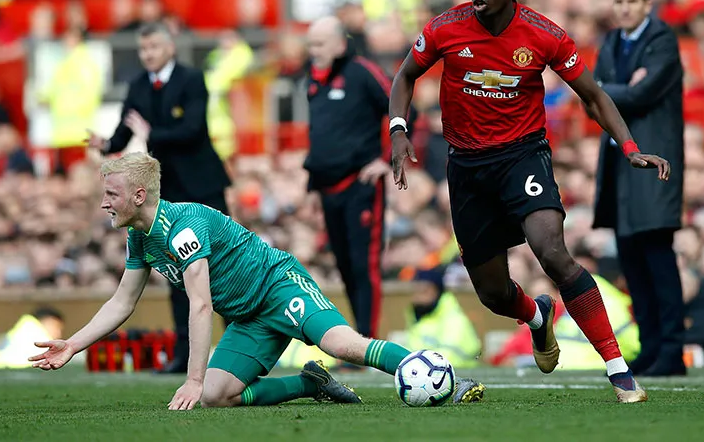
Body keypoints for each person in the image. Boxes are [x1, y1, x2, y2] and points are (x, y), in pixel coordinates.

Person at [389, 0, 671, 404]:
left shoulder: (543, 34)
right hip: (467, 167)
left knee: (553, 253)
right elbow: (404, 77)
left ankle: (620, 373)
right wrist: (399, 130)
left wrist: (631, 147)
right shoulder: (444, 28)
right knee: (494, 294)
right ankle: (538, 317)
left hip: (522, 156)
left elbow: (593, 96)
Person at [29, 152, 486, 408]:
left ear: (139, 194)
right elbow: (122, 302)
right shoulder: (139, 237)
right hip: (249, 318)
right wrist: (72, 344)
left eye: (111, 194)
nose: (104, 203)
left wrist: (190, 377)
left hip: (278, 284)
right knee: (215, 397)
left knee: (342, 345)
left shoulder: (181, 226)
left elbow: (202, 304)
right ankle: (309, 385)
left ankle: (447, 378)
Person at [86, 22, 231, 374]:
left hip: (202, 186)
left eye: (153, 47)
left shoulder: (192, 79)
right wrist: (106, 144)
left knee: (221, 267)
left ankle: (232, 351)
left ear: (169, 47)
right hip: (167, 190)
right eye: (143, 48)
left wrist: (153, 134)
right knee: (176, 270)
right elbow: (125, 129)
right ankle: (184, 356)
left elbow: (194, 128)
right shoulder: (138, 86)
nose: (147, 54)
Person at [592, 0, 686, 376]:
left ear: (648, 4)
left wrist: (604, 90)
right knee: (631, 258)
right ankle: (650, 348)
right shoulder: (612, 42)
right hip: (620, 162)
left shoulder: (663, 40)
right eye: (619, 1)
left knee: (657, 256)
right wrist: (613, 89)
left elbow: (640, 94)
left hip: (654, 162)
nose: (625, 7)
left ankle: (671, 350)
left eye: (632, 0)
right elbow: (591, 97)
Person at [304, 16, 409, 340]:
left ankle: (366, 339)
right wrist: (311, 186)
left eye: (320, 44)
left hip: (361, 185)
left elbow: (401, 106)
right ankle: (358, 339)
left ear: (339, 43)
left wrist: (385, 159)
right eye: (310, 44)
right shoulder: (314, 78)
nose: (313, 51)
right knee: (346, 267)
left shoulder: (362, 71)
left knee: (364, 265)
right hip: (328, 188)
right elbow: (319, 136)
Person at [0, 307, 64, 369]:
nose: (59, 334)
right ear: (48, 321)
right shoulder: (36, 333)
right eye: (57, 327)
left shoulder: (23, 328)